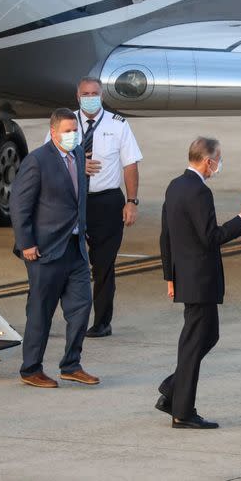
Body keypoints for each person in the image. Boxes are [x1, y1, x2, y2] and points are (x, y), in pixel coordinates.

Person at [156, 137, 241, 429]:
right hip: (200, 279)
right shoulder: (200, 192)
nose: (218, 165)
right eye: (218, 159)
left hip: (187, 278)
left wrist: (170, 275)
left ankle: (173, 390)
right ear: (208, 161)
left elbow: (165, 235)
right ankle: (182, 410)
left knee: (205, 336)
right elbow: (211, 238)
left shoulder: (175, 185)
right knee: (196, 341)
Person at [10, 108, 99, 388]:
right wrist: (26, 243)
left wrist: (83, 232)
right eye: (67, 131)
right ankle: (31, 369)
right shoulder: (37, 161)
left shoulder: (76, 157)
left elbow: (79, 201)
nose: (73, 136)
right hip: (45, 250)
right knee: (40, 311)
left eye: (76, 131)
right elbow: (19, 205)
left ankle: (71, 364)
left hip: (75, 248)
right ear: (53, 132)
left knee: (82, 307)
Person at [56, 76, 143, 339]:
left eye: (94, 93)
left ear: (102, 96)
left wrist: (131, 201)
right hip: (73, 200)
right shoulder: (65, 123)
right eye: (85, 93)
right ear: (77, 96)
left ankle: (102, 322)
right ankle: (70, 318)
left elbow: (130, 164)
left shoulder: (118, 125)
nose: (90, 97)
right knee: (66, 261)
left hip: (106, 202)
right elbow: (50, 159)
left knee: (103, 265)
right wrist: (78, 164)